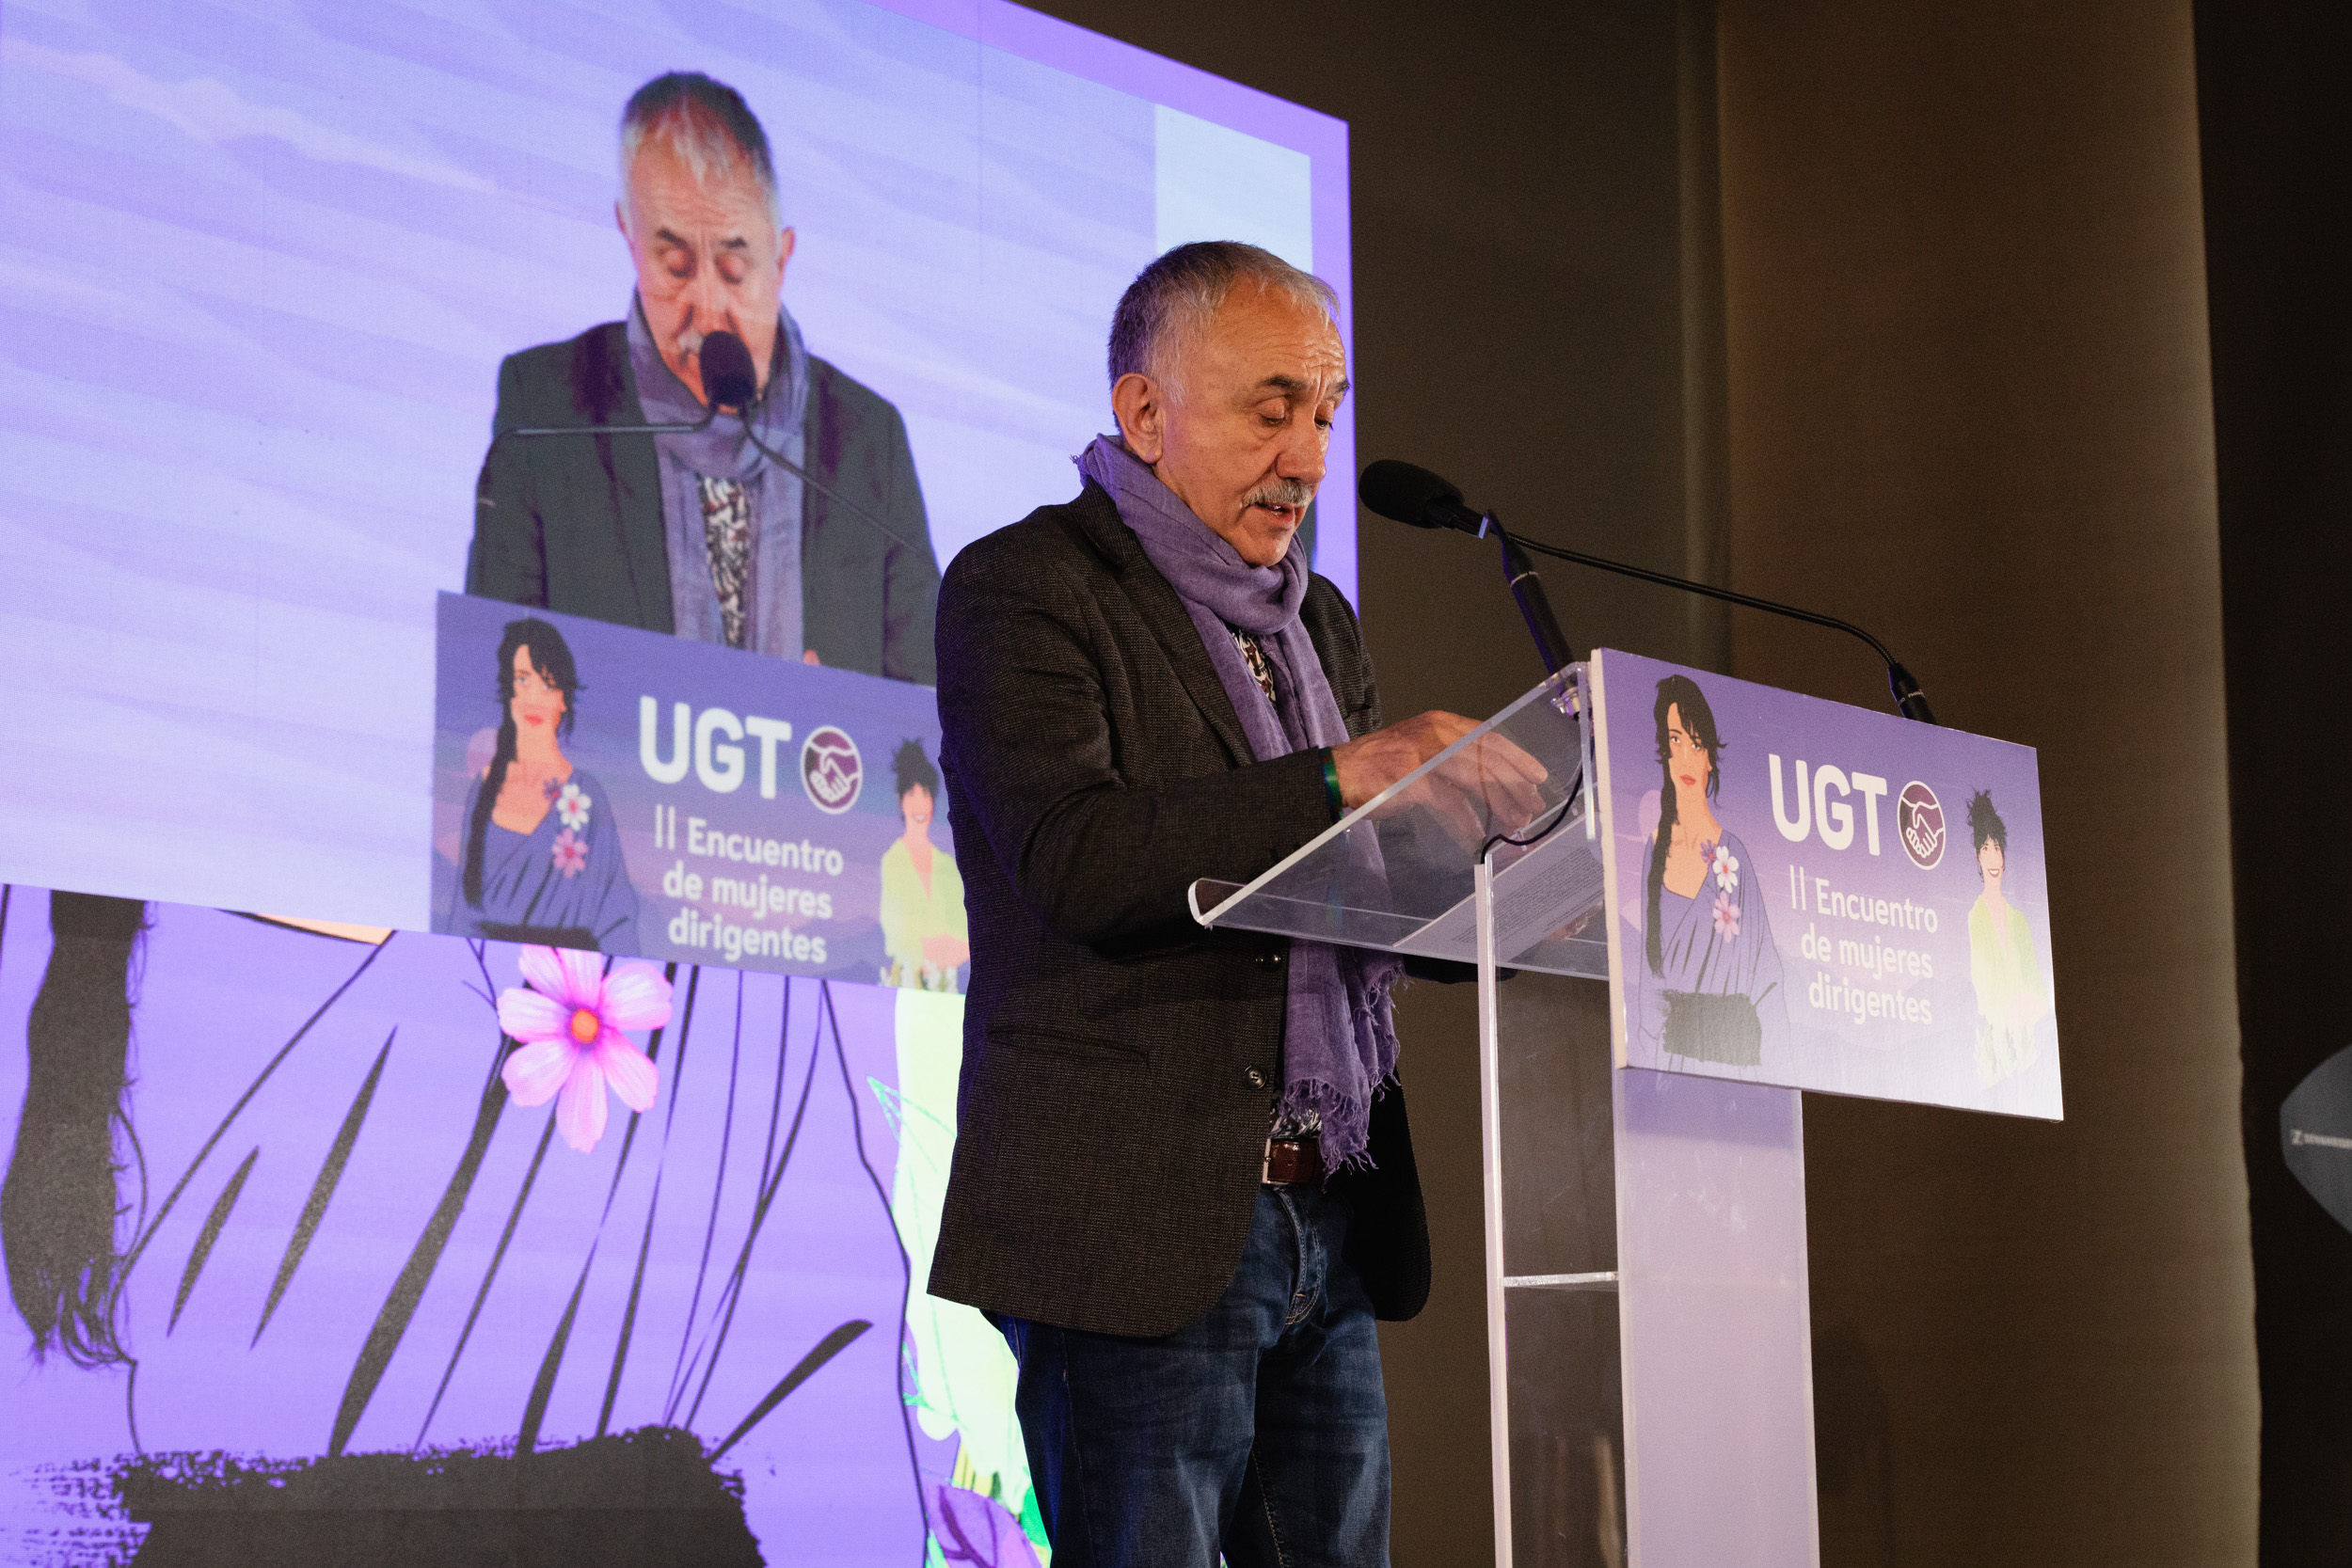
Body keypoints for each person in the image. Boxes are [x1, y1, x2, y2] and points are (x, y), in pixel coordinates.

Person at [928, 241, 1544, 1567]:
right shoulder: (1025, 589)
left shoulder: (1314, 619)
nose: (1312, 456)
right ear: (1147, 412)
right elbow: (1080, 857)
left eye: (1325, 410)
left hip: (1329, 1198)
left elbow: (1364, 884)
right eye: (1274, 409)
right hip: (1138, 1219)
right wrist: (1343, 775)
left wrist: (1505, 855)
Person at [465, 71, 939, 683]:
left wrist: (847, 722)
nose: (708, 308)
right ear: (628, 236)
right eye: (676, 265)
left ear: (782, 256)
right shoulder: (547, 409)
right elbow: (489, 688)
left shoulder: (867, 442)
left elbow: (928, 710)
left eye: (735, 267)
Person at [444, 618, 639, 951]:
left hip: (571, 988)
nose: (534, 697)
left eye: (548, 684)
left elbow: (616, 919)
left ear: (564, 699)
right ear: (509, 692)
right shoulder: (483, 789)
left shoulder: (587, 797)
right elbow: (463, 913)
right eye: (524, 680)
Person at [1631, 673, 1786, 1067]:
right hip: (1667, 1070)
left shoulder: (1734, 857)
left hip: (1734, 1067)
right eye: (1676, 740)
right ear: (1663, 751)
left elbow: (1767, 977)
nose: (1686, 756)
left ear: (1710, 758)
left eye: (1696, 743)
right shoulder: (1653, 850)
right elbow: (1649, 987)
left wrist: (1776, 1078)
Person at [878, 739, 970, 991]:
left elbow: (965, 937)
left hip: (947, 992)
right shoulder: (892, 861)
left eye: (925, 794)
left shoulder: (947, 865)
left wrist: (941, 949)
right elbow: (896, 939)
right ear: (900, 800)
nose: (919, 805)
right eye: (911, 794)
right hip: (909, 989)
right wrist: (932, 949)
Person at [1965, 789, 2044, 1083]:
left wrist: (2028, 1017)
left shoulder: (2019, 920)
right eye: (1985, 848)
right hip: (1996, 1038)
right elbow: (1981, 975)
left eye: (1997, 847)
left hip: (2025, 1035)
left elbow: (2034, 976)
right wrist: (2002, 1017)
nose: (1992, 856)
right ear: (1977, 856)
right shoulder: (1977, 915)